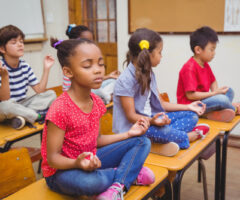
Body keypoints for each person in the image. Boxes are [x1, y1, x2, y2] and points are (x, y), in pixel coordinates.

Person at [41, 37, 155, 199]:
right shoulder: (60, 108)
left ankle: (118, 185)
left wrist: (129, 134)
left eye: (100, 64)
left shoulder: (97, 102)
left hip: (91, 159)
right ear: (68, 72)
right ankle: (127, 174)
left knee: (142, 141)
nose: (98, 70)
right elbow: (52, 159)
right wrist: (77, 163)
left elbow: (97, 140)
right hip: (62, 172)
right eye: (88, 65)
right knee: (92, 183)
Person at [113, 28, 209, 156]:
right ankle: (187, 137)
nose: (161, 56)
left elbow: (162, 104)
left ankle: (163, 140)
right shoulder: (125, 80)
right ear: (148, 54)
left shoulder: (149, 73)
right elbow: (131, 117)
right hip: (136, 128)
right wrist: (153, 122)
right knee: (164, 132)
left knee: (191, 115)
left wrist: (188, 106)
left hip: (153, 122)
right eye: (160, 52)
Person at [177, 26, 240, 122]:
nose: (214, 53)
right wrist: (215, 94)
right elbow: (191, 96)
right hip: (191, 106)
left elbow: (213, 81)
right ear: (198, 50)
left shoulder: (205, 64)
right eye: (211, 49)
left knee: (229, 91)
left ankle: (210, 113)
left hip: (203, 102)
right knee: (222, 100)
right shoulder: (189, 68)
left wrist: (217, 93)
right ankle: (233, 108)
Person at [0, 25, 56, 129]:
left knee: (51, 94)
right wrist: (4, 76)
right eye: (14, 42)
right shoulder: (0, 66)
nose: (20, 45)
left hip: (22, 104)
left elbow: (40, 91)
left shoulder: (24, 65)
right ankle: (37, 116)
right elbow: (5, 99)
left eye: (21, 41)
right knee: (6, 106)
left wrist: (46, 69)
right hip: (5, 109)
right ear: (2, 49)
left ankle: (20, 117)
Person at [63, 24, 120, 104]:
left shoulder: (87, 56)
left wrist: (110, 76)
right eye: (86, 41)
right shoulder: (74, 59)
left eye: (101, 64)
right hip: (79, 92)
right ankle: (107, 97)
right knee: (97, 89)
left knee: (114, 81)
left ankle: (103, 97)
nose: (91, 44)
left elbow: (90, 78)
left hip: (88, 85)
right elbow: (87, 81)